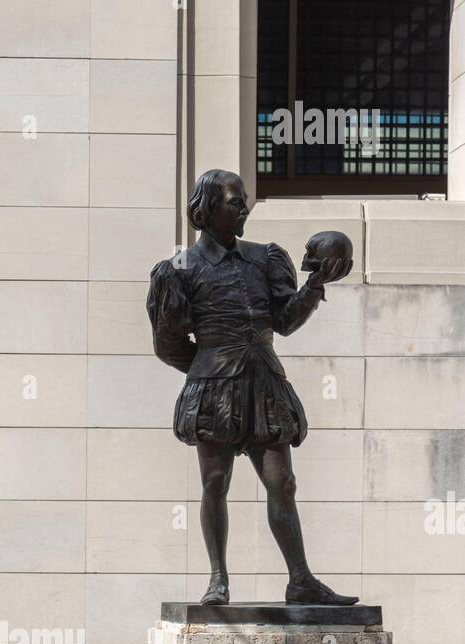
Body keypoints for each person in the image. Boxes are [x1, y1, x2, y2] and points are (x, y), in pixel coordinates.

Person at [146, 167, 357, 607]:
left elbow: (284, 322)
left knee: (282, 482)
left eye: (244, 200)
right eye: (234, 201)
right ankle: (218, 578)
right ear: (207, 209)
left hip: (264, 384)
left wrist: (314, 286)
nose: (245, 208)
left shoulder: (265, 258)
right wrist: (209, 367)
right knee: (215, 482)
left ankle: (300, 579)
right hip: (215, 390)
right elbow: (168, 344)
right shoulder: (179, 269)